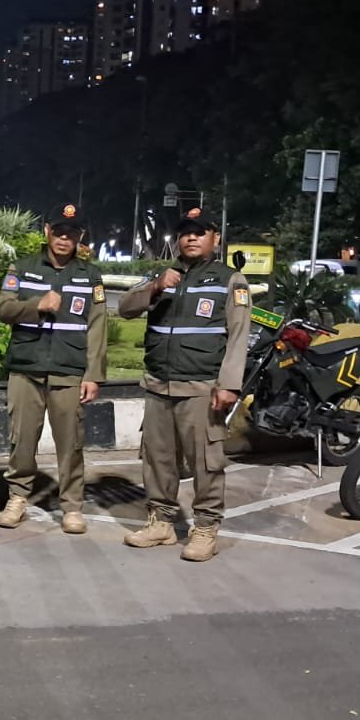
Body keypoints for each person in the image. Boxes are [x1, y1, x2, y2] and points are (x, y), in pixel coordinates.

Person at [116, 214, 251, 561]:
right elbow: (125, 308)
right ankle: (161, 522)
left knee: (206, 462)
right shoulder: (163, 275)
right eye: (185, 233)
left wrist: (229, 385)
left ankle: (205, 528)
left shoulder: (230, 280)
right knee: (157, 458)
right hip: (159, 384)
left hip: (201, 387)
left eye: (199, 233)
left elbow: (239, 336)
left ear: (215, 238)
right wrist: (155, 287)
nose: (191, 238)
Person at [0, 203, 108, 534]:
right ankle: (18, 497)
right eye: (58, 231)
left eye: (71, 233)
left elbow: (97, 327)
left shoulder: (90, 276)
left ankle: (71, 506)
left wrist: (94, 374)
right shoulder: (23, 268)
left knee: (71, 443)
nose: (63, 238)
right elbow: (4, 309)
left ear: (79, 236)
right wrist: (36, 305)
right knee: (21, 439)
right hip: (26, 368)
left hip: (69, 369)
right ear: (47, 231)